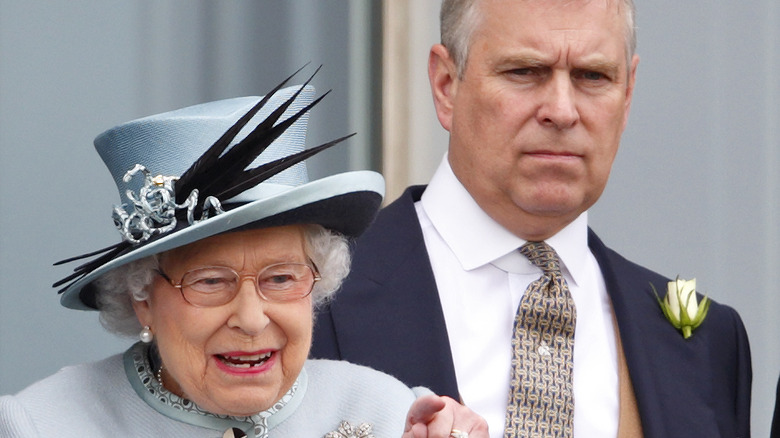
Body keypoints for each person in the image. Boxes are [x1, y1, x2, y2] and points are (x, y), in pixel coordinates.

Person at [310, 1, 752, 437]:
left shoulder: (711, 345)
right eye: (524, 72)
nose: (561, 111)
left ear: (628, 94)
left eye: (593, 76)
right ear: (446, 85)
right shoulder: (304, 301)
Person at [0, 73, 489, 438]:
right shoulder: (43, 424)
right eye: (210, 282)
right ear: (141, 296)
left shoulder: (388, 411)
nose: (252, 320)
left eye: (281, 279)